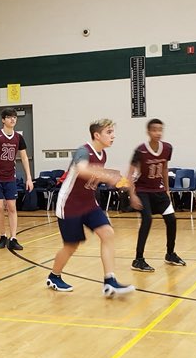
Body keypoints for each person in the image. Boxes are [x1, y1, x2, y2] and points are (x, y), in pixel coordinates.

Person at [46, 119, 134, 298]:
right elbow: (83, 170)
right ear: (97, 135)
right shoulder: (83, 151)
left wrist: (116, 177)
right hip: (69, 205)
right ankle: (54, 276)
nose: (113, 136)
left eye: (112, 132)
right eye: (109, 132)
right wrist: (108, 176)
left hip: (88, 203)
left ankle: (110, 281)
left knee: (108, 233)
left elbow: (94, 176)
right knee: (71, 246)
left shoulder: (103, 155)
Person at [126, 119, 184, 272]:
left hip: (159, 190)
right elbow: (130, 174)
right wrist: (132, 195)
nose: (158, 133)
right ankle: (138, 259)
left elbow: (165, 167)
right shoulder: (140, 151)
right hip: (142, 190)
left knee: (171, 219)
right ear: (148, 132)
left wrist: (167, 189)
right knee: (147, 220)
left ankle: (170, 254)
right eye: (154, 130)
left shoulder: (167, 148)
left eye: (160, 130)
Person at [0, 108, 33, 251]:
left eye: (15, 117)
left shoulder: (18, 137)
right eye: (10, 117)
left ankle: (13, 238)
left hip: (10, 177)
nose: (13, 119)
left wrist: (29, 178)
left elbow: (24, 157)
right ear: (3, 119)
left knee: (12, 207)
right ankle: (2, 235)